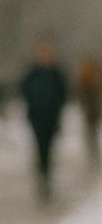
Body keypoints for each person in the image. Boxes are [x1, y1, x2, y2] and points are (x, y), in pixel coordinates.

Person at [18, 35, 68, 201]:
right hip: (37, 117)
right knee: (40, 147)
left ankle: (45, 173)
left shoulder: (56, 72)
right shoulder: (34, 72)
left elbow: (63, 93)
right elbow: (23, 89)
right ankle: (42, 173)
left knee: (48, 148)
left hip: (51, 118)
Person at [74, 54, 101, 165]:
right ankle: (92, 149)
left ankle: (93, 149)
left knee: (92, 130)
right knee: (90, 131)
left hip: (94, 109)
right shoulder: (84, 81)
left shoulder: (95, 81)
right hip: (90, 110)